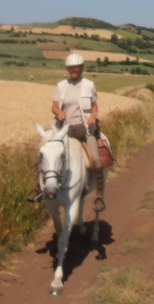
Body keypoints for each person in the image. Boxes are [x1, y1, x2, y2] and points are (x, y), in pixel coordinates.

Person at [27, 53, 106, 211]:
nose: (73, 70)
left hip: (84, 129)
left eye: (76, 67)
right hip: (64, 129)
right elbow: (54, 106)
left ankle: (99, 195)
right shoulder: (61, 85)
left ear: (82, 68)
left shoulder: (89, 85)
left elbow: (95, 106)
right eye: (70, 68)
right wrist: (59, 113)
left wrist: (93, 116)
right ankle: (38, 188)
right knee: (43, 154)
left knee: (96, 160)